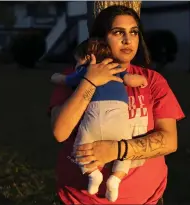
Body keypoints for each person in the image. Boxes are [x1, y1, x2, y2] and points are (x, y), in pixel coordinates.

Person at [49, 5, 185, 205]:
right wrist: (90, 81)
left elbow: (169, 141)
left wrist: (117, 150)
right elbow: (60, 132)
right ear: (100, 39)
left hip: (145, 199)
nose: (128, 40)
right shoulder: (76, 76)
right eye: (118, 32)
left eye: (134, 32)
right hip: (83, 200)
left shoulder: (151, 80)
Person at [50, 38, 147, 202]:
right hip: (119, 120)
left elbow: (63, 80)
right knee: (125, 152)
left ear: (88, 58)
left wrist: (55, 76)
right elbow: (131, 79)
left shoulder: (85, 71)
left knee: (80, 149)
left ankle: (92, 173)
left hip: (94, 118)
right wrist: (142, 81)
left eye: (77, 61)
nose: (76, 65)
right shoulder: (116, 68)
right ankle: (116, 179)